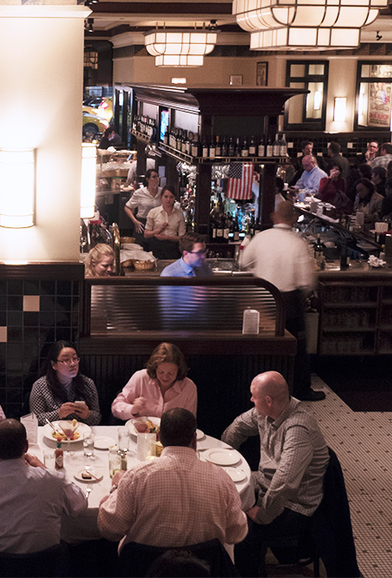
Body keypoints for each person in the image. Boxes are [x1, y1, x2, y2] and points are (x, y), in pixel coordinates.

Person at [222, 371, 329, 578]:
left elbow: (285, 483)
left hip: (295, 504)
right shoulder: (265, 412)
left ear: (268, 400)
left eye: (254, 396)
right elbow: (238, 426)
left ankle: (247, 573)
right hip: (266, 483)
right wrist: (224, 454)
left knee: (242, 532)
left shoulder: (298, 428)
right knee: (223, 496)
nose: (251, 400)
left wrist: (263, 514)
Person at [98, 408, 247, 550]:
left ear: (160, 438)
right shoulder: (222, 479)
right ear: (194, 439)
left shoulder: (136, 476)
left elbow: (110, 529)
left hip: (146, 569)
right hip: (204, 569)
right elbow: (236, 534)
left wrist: (116, 488)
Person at [0, 419, 86, 556]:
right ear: (26, 447)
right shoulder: (53, 481)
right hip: (45, 569)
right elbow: (81, 504)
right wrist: (43, 469)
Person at [239, 202, 323, 401]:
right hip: (289, 302)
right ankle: (299, 390)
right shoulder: (297, 243)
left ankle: (258, 385)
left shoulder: (262, 238)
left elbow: (243, 262)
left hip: (262, 298)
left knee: (263, 345)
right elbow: (306, 281)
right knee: (296, 347)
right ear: (293, 219)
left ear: (275, 217)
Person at [112, 342, 197, 420]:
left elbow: (189, 421)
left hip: (173, 435)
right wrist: (132, 409)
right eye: (161, 372)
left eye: (171, 373)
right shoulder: (141, 378)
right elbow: (116, 407)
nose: (165, 377)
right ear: (155, 368)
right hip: (141, 433)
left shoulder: (189, 387)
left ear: (179, 370)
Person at [29, 341, 101, 426]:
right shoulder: (40, 386)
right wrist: (58, 414)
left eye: (75, 358)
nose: (73, 364)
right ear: (54, 365)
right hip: (54, 434)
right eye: (66, 360)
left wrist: (87, 415)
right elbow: (35, 419)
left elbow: (97, 417)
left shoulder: (87, 383)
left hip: (81, 433)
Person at [144, 185, 186, 260]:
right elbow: (146, 234)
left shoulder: (179, 214)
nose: (168, 200)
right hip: (156, 246)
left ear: (175, 199)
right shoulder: (153, 212)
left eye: (171, 197)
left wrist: (167, 237)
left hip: (173, 247)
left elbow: (182, 237)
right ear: (161, 197)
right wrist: (159, 230)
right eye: (166, 197)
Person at [124, 169, 161, 242]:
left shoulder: (161, 192)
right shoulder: (140, 193)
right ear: (148, 179)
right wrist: (135, 221)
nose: (157, 179)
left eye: (158, 177)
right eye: (154, 177)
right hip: (143, 222)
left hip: (157, 223)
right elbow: (127, 207)